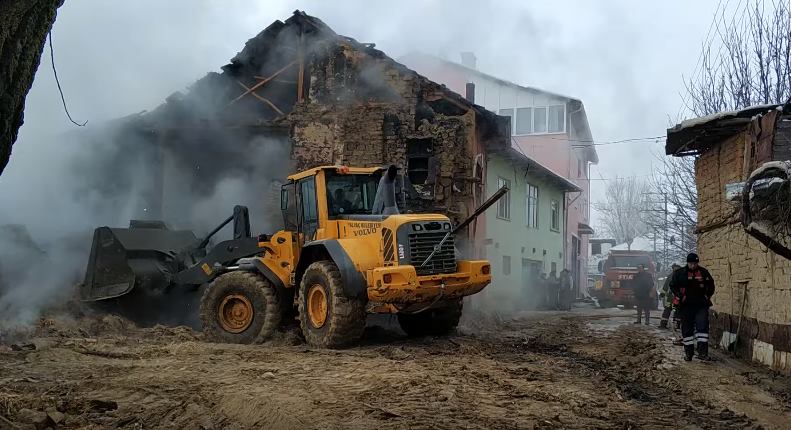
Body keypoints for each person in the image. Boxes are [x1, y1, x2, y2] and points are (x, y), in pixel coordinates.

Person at [670, 252, 716, 361]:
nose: (693, 266)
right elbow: (673, 286)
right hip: (686, 306)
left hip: (701, 305)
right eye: (691, 263)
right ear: (687, 263)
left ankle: (702, 353)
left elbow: (711, 286)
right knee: (687, 330)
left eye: (695, 263)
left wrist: (706, 296)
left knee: (702, 328)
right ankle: (688, 353)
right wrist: (681, 296)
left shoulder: (704, 273)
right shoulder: (680, 273)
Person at [659, 263, 681, 329]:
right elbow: (665, 286)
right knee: (667, 310)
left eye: (677, 267)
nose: (675, 269)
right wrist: (662, 294)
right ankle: (663, 324)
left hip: (678, 297)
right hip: (670, 297)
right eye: (674, 267)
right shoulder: (670, 276)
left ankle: (676, 325)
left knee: (678, 311)